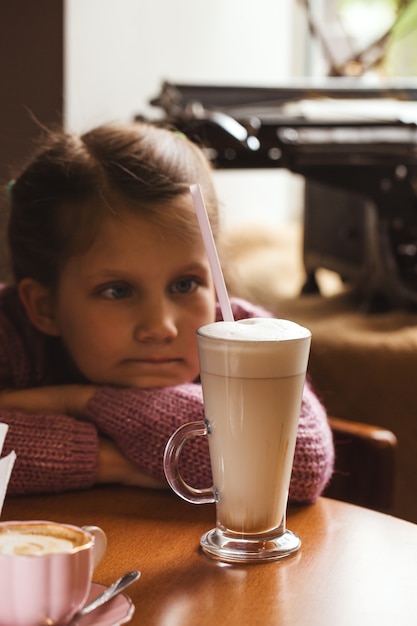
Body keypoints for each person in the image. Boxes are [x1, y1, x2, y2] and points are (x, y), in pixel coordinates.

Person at [0, 121, 334, 500]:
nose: (161, 327)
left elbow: (301, 462)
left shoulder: (242, 335)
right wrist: (107, 461)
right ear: (44, 307)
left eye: (184, 285)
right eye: (118, 290)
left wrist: (79, 401)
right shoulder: (10, 332)